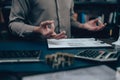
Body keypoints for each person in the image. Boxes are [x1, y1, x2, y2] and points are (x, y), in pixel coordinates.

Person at [9, 0, 106, 40]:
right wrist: (37, 30)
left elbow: (69, 20)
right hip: (38, 50)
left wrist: (82, 26)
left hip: (67, 51)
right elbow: (14, 24)